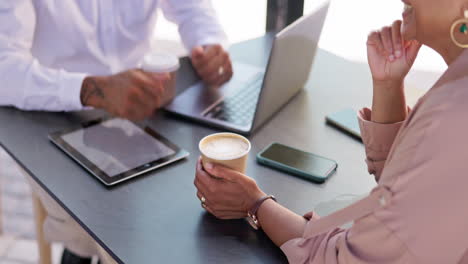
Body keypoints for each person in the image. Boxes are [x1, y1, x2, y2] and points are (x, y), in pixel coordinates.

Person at [194, 0, 468, 262]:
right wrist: (387, 85)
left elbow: (344, 259)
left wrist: (254, 205)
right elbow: (406, 188)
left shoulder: (453, 116)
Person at [0, 1, 232, 263]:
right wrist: (89, 88)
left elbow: (192, 8)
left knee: (182, 201)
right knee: (92, 223)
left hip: (141, 106)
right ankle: (80, 251)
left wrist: (209, 44)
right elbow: (3, 69)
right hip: (50, 109)